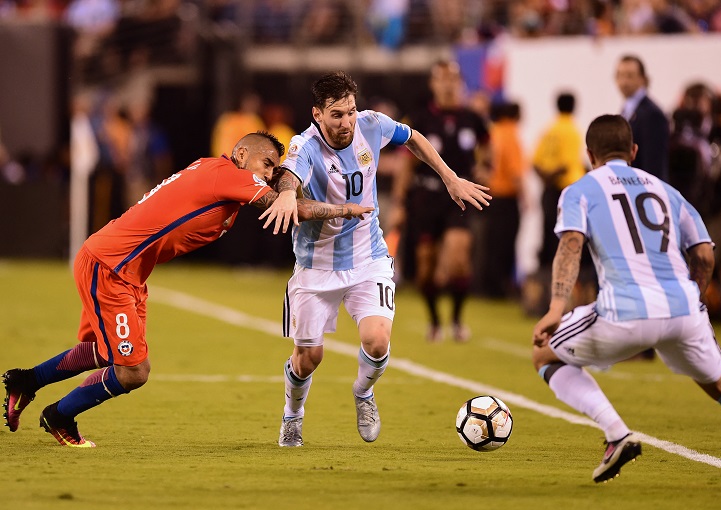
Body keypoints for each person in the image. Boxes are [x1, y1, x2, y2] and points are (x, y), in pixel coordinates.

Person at [2, 131, 373, 447]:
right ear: (242, 154)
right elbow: (291, 207)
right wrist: (345, 209)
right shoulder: (227, 173)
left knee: (103, 351)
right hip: (110, 266)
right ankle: (59, 416)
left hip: (125, 270)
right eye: (267, 164)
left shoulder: (221, 177)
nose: (271, 175)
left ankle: (26, 380)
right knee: (134, 370)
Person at [276, 71, 490, 447]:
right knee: (308, 358)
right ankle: (292, 415)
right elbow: (290, 176)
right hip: (315, 264)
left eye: (350, 111)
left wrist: (449, 177)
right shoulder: (304, 144)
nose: (346, 122)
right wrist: (285, 194)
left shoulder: (372, 125)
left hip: (368, 257)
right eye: (337, 115)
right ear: (317, 114)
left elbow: (413, 139)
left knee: (377, 342)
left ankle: (363, 394)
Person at [531, 114, 721, 483]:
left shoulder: (580, 190)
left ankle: (616, 435)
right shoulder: (667, 190)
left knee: (543, 354)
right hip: (683, 308)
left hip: (625, 312)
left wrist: (556, 307)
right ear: (633, 150)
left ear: (589, 154)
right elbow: (704, 254)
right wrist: (692, 299)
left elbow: (570, 247)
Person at [393, 60, 490, 342]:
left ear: (460, 83)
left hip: (457, 197)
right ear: (433, 84)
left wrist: (486, 167)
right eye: (442, 79)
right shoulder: (420, 119)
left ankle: (457, 321)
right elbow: (406, 165)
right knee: (425, 267)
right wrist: (400, 202)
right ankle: (435, 321)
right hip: (426, 196)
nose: (448, 84)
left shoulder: (473, 119)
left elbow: (486, 148)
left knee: (459, 258)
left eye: (453, 79)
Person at [532, 92, 585, 270]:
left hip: (548, 190)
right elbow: (567, 165)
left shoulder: (549, 130)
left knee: (547, 233)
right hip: (565, 190)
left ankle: (544, 272)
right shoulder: (571, 131)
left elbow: (535, 162)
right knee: (565, 235)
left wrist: (545, 179)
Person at [480, 101, 525, 298]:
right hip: (506, 197)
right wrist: (525, 196)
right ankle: (500, 288)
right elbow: (516, 171)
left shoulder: (492, 132)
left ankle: (488, 285)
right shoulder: (510, 134)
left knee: (491, 243)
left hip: (490, 195)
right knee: (505, 244)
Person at [615, 55, 670, 181]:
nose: (624, 82)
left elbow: (654, 165)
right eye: (620, 75)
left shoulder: (652, 114)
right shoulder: (628, 109)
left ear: (642, 79)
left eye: (630, 76)